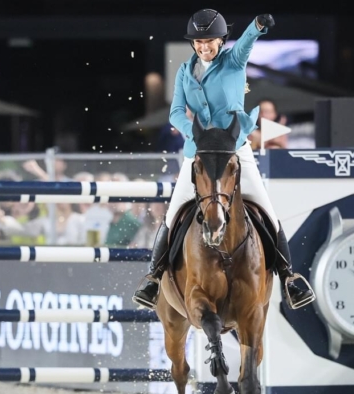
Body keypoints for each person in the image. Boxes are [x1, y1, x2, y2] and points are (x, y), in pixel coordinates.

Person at [132, 9, 316, 310]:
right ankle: (153, 279)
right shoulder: (184, 72)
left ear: (220, 40)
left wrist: (258, 26)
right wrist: (192, 134)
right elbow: (175, 111)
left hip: (235, 151)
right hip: (198, 152)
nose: (204, 47)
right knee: (173, 212)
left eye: (210, 41)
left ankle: (288, 278)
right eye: (199, 42)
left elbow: (246, 41)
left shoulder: (233, 61)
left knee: (267, 211)